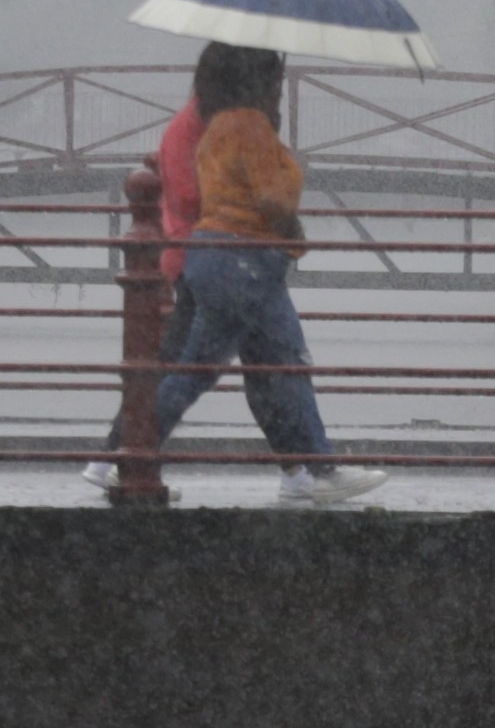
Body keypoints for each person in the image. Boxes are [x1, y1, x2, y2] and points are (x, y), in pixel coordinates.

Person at [86, 40, 388, 503]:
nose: (280, 91)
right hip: (241, 258)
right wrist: (290, 210)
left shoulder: (215, 127)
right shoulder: (246, 127)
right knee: (212, 369)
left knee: (278, 364)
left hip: (222, 258)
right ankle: (128, 454)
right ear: (258, 83)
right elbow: (268, 197)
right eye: (276, 82)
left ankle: (314, 470)